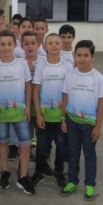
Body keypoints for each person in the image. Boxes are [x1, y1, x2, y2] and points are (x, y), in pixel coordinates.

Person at [60, 40, 103, 201]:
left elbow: (101, 105)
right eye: (79, 55)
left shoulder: (98, 78)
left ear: (92, 57)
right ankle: (72, 181)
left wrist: (98, 127)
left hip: (89, 125)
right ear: (74, 56)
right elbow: (65, 98)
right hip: (71, 122)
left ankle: (90, 184)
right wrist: (63, 119)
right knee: (73, 152)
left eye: (86, 55)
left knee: (89, 154)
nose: (82, 58)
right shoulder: (70, 75)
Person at [0, 30, 35, 194]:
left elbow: (28, 85)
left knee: (25, 143)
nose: (6, 47)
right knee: (3, 142)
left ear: (15, 45)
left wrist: (28, 105)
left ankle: (23, 176)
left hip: (20, 112)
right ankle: (5, 171)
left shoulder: (22, 64)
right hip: (1, 113)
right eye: (2, 44)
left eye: (9, 44)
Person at [32, 33, 73, 188]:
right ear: (45, 46)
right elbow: (36, 91)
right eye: (51, 43)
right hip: (44, 116)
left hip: (61, 117)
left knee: (61, 146)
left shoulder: (67, 66)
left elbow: (68, 93)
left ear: (61, 45)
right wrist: (38, 114)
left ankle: (59, 172)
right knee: (42, 145)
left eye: (57, 42)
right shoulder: (41, 66)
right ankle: (39, 171)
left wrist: (64, 117)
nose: (54, 45)